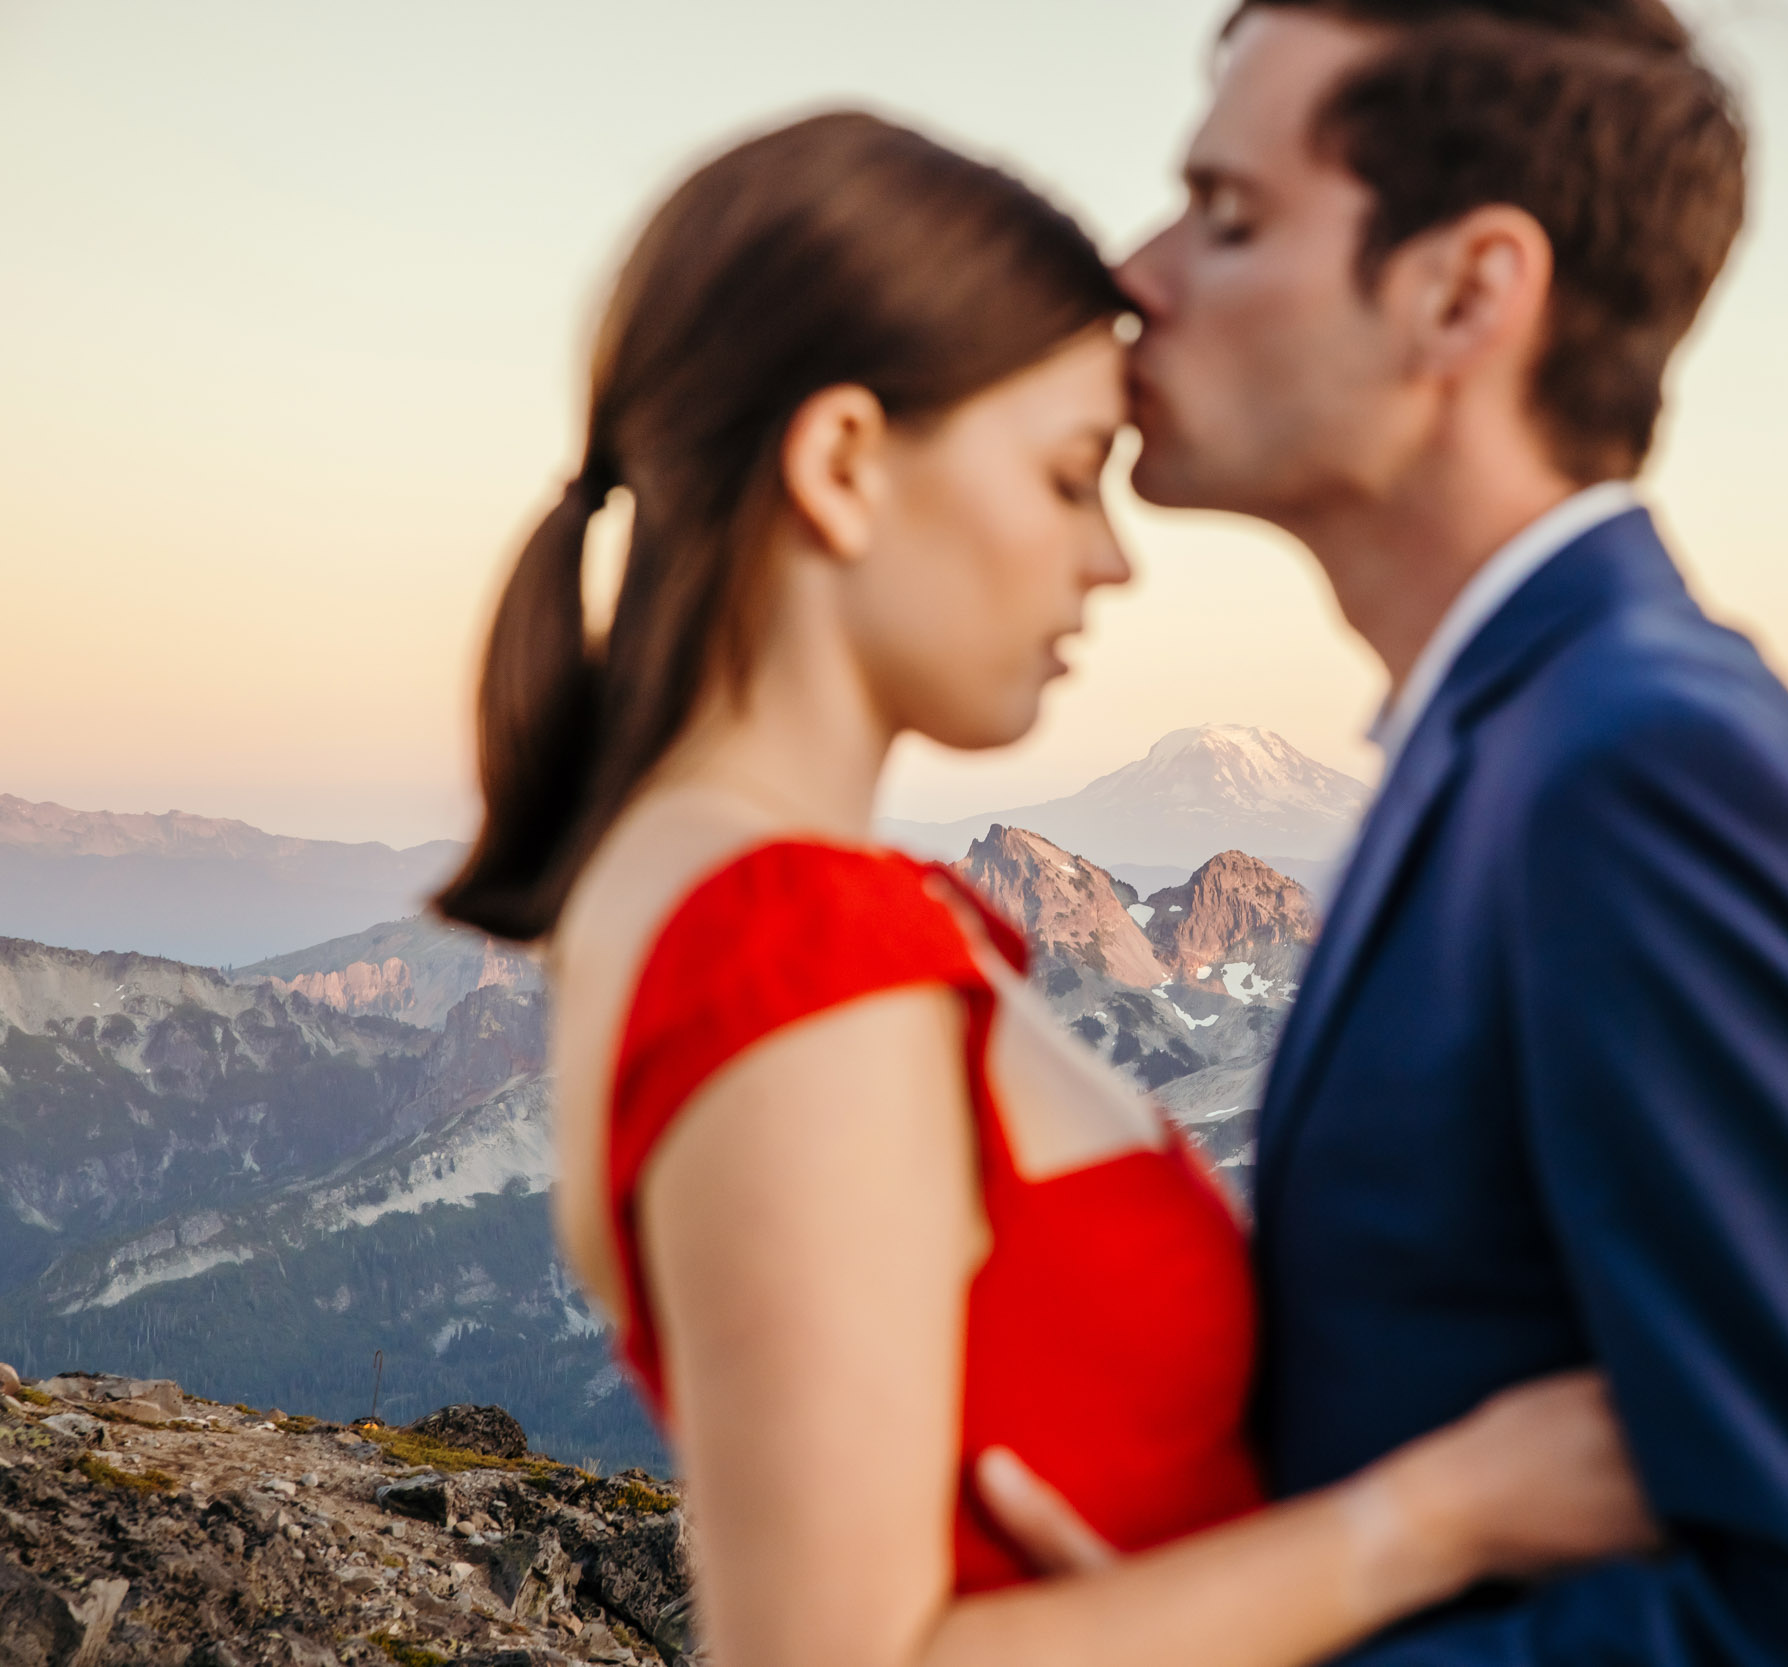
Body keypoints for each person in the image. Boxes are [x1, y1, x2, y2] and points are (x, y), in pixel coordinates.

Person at [434, 111, 1659, 1667]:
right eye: (1072, 476)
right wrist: (1432, 1521)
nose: (1110, 559)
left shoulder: (753, 905)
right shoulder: (785, 938)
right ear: (846, 463)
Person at [1112, 2, 1788, 1662]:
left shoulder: (1643, 765)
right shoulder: (1517, 734)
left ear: (1468, 291)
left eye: (1231, 215)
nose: (1139, 271)